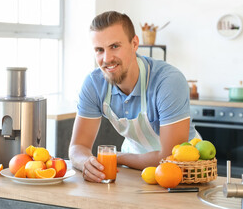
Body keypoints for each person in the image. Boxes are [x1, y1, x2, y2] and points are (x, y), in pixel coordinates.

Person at [68, 11, 200, 183]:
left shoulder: (168, 81)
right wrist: (86, 162)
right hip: (134, 169)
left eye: (115, 46)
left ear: (134, 43)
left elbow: (169, 157)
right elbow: (78, 147)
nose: (107, 58)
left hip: (182, 171)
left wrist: (118, 157)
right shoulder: (94, 83)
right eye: (99, 50)